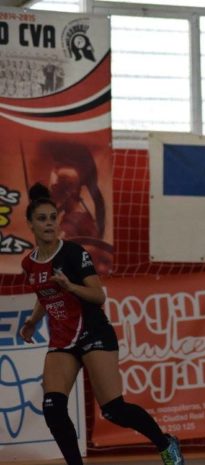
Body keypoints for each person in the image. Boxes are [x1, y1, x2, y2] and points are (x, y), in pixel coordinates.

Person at [19, 183, 183, 465]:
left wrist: (70, 286)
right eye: (42, 219)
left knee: (113, 410)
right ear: (30, 225)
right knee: (53, 408)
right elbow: (45, 294)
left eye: (53, 218)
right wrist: (33, 321)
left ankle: (165, 443)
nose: (49, 224)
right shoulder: (29, 264)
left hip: (93, 332)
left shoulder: (73, 253)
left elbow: (98, 296)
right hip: (63, 339)